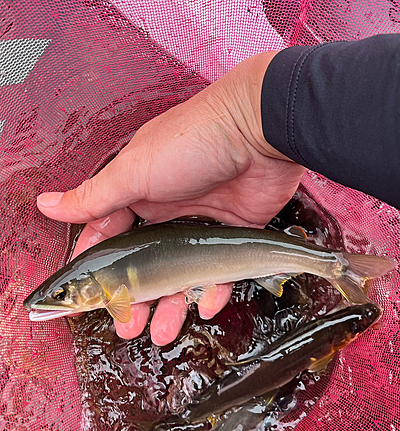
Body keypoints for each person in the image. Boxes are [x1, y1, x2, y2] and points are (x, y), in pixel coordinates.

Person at [36, 34, 399, 346]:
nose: (60, 300)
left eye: (63, 294)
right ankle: (335, 266)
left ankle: (336, 266)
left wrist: (250, 122)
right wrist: (251, 119)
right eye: (62, 295)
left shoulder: (111, 290)